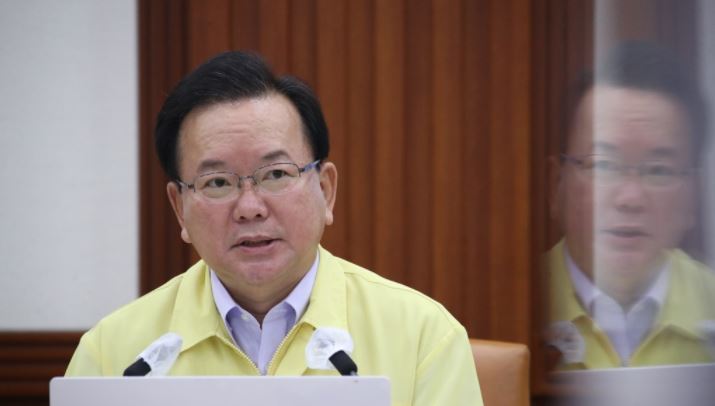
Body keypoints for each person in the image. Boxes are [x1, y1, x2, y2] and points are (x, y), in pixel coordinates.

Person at [65, 51, 483, 405]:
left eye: (276, 174)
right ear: (179, 209)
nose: (250, 208)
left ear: (325, 191)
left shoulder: (423, 338)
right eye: (217, 182)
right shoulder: (113, 354)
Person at [547, 42, 715, 369]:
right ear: (557, 185)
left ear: (692, 197)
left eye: (659, 170)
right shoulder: (518, 303)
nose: (630, 199)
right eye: (604, 165)